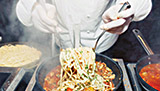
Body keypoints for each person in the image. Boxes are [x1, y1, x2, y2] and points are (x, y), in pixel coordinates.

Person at [16, 0, 152, 54]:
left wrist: (127, 7)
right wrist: (34, 8)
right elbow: (24, 5)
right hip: (61, 43)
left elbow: (142, 3)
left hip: (104, 43)